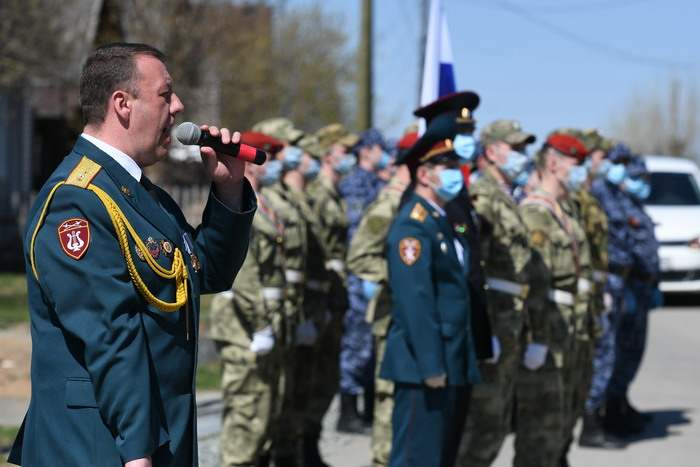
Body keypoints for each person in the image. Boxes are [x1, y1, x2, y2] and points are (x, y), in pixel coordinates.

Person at [9, 42, 256, 467]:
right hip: (103, 446)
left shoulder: (141, 195)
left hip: (159, 438)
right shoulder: (78, 200)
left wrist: (228, 189)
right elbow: (109, 333)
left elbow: (204, 272)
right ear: (122, 104)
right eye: (165, 94)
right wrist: (138, 451)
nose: (178, 107)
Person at [380, 138, 481, 466]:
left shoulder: (440, 220)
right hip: (424, 366)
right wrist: (430, 364)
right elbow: (415, 301)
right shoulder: (413, 225)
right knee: (415, 457)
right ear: (423, 174)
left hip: (446, 358)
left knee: (436, 456)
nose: (458, 174)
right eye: (449, 168)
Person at [458, 119, 536, 467]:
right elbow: (472, 269)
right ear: (491, 152)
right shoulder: (483, 198)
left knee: (498, 418)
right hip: (493, 320)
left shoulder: (507, 198)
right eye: (515, 148)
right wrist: (481, 329)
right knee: (481, 424)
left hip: (510, 319)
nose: (523, 155)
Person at [208, 131, 286, 467]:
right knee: (246, 407)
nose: (275, 165)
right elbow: (247, 273)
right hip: (242, 321)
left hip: (258, 319)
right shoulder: (248, 201)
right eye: (268, 157)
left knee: (262, 406)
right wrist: (261, 324)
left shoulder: (264, 202)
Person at [515, 134, 590, 467]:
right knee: (541, 426)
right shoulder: (536, 212)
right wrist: (536, 339)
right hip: (549, 333)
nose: (583, 171)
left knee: (564, 417)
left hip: (571, 329)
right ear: (555, 164)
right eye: (577, 163)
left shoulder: (565, 210)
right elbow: (532, 284)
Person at [346, 129, 416, 467]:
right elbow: (359, 256)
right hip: (393, 315)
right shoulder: (390, 200)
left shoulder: (414, 201)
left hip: (413, 317)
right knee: (390, 400)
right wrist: (402, 277)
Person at [581, 142, 635, 448]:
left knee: (610, 353)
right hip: (602, 282)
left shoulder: (609, 193)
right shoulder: (595, 194)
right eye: (606, 159)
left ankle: (602, 417)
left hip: (613, 282)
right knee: (601, 355)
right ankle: (590, 424)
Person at [337, 129, 390, 433]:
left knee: (370, 347)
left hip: (375, 275)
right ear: (367, 150)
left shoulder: (379, 184)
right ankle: (348, 412)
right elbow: (357, 235)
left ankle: (368, 410)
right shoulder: (354, 184)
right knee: (356, 347)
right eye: (380, 149)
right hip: (359, 278)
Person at [604, 154, 659, 436]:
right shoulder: (615, 202)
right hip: (627, 284)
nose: (642, 184)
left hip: (642, 285)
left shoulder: (637, 206)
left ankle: (620, 401)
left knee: (632, 351)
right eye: (637, 178)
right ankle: (609, 411)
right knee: (618, 351)